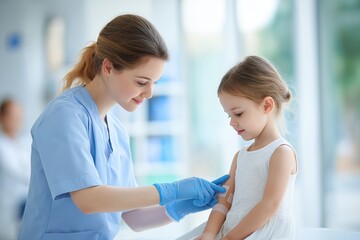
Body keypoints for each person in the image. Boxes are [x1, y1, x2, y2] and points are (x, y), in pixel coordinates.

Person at [18, 14, 229, 240]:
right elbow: (88, 200)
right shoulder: (65, 115)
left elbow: (134, 218)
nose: (149, 94)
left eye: (153, 83)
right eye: (141, 82)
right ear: (108, 67)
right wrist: (171, 190)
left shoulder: (116, 131)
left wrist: (181, 206)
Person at [177, 56, 297, 240]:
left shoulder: (281, 152)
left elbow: (270, 205)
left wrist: (229, 238)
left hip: (262, 231)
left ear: (266, 105)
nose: (232, 122)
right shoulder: (240, 156)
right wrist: (209, 232)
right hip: (232, 228)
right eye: (228, 116)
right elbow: (224, 200)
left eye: (238, 113)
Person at [0, 99, 31, 240]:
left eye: (19, 116)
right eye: (13, 116)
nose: (18, 120)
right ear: (3, 118)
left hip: (26, 199)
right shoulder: (2, 145)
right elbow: (20, 173)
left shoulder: (25, 141)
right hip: (12, 203)